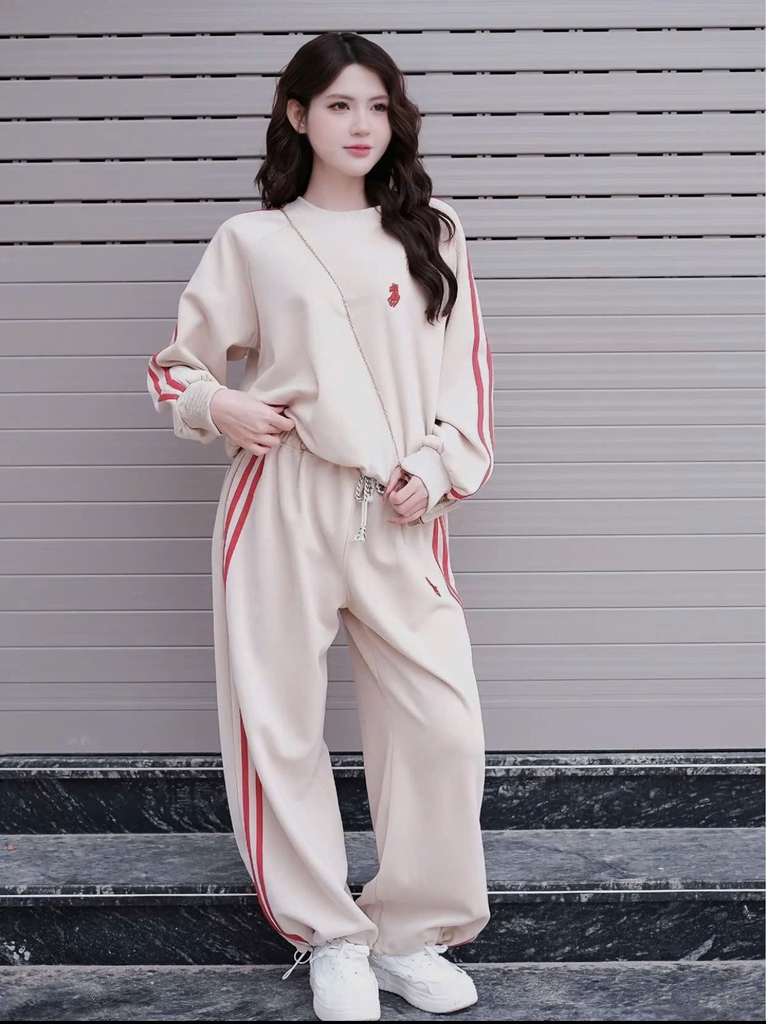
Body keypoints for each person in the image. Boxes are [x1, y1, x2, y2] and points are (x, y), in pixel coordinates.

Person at [146, 30, 494, 1023]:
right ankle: (330, 937)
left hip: (397, 506)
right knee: (279, 723)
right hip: (281, 498)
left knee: (442, 727)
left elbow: (466, 377)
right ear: (298, 116)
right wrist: (221, 406)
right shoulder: (251, 241)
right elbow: (176, 366)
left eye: (377, 105)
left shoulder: (435, 232)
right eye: (339, 104)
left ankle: (410, 932)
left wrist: (437, 468)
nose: (361, 124)